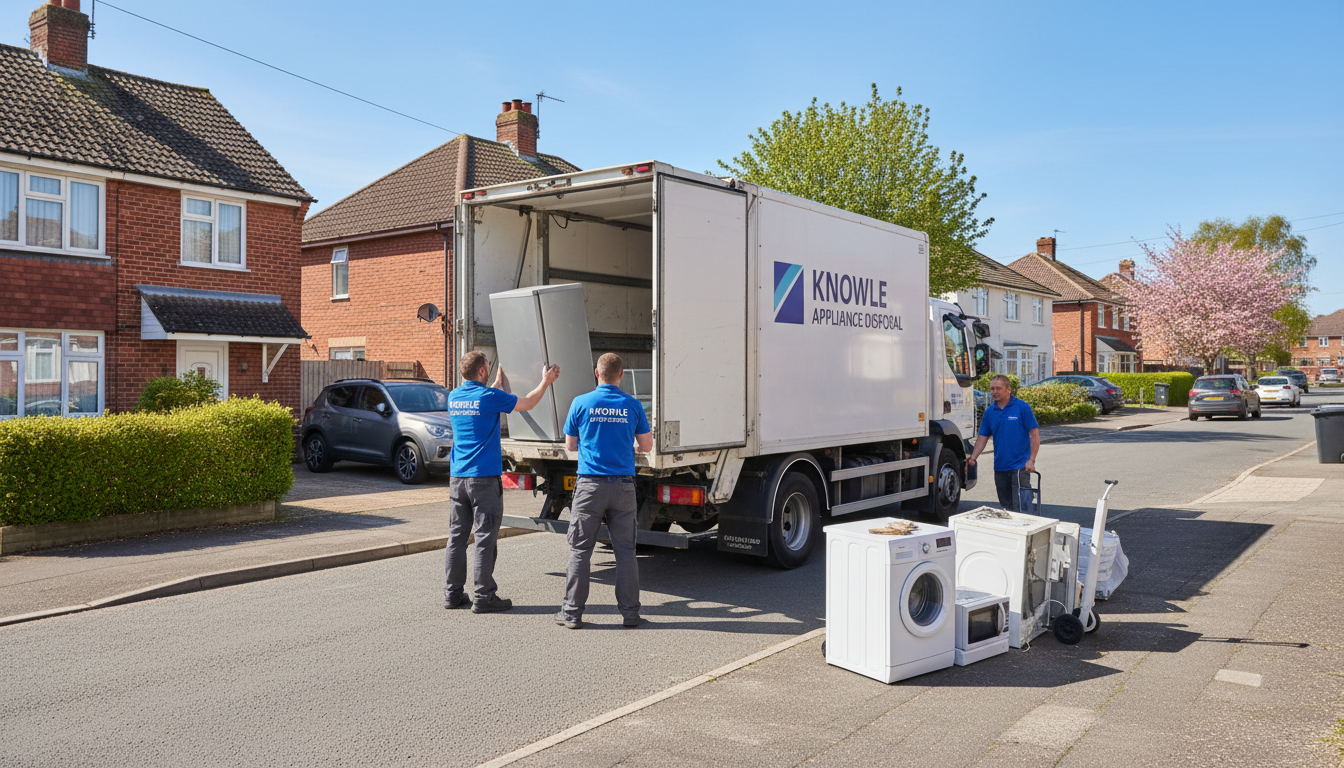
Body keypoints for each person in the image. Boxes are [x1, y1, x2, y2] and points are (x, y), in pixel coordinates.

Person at [445, 351, 559, 613]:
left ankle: (452, 594)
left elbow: (481, 403)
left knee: (457, 537)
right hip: (483, 479)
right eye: (487, 366)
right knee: (485, 537)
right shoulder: (489, 397)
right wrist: (546, 381)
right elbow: (529, 403)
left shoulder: (455, 396)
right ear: (482, 371)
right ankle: (484, 597)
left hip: (457, 478)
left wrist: (496, 385)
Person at [556, 353, 653, 630]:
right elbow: (646, 446)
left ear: (596, 373)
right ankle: (631, 615)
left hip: (589, 486)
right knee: (625, 552)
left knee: (580, 551)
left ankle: (572, 614)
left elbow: (571, 446)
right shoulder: (632, 405)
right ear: (621, 375)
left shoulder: (580, 403)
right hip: (622, 486)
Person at [967, 374, 1040, 512]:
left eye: (998, 388)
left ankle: (1025, 532)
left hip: (1020, 467)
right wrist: (973, 458)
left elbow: (1034, 435)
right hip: (1000, 467)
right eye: (992, 389)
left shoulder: (1022, 407)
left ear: (1008, 389)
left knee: (1023, 507)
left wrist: (1032, 460)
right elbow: (983, 437)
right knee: (1006, 507)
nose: (994, 392)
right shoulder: (989, 412)